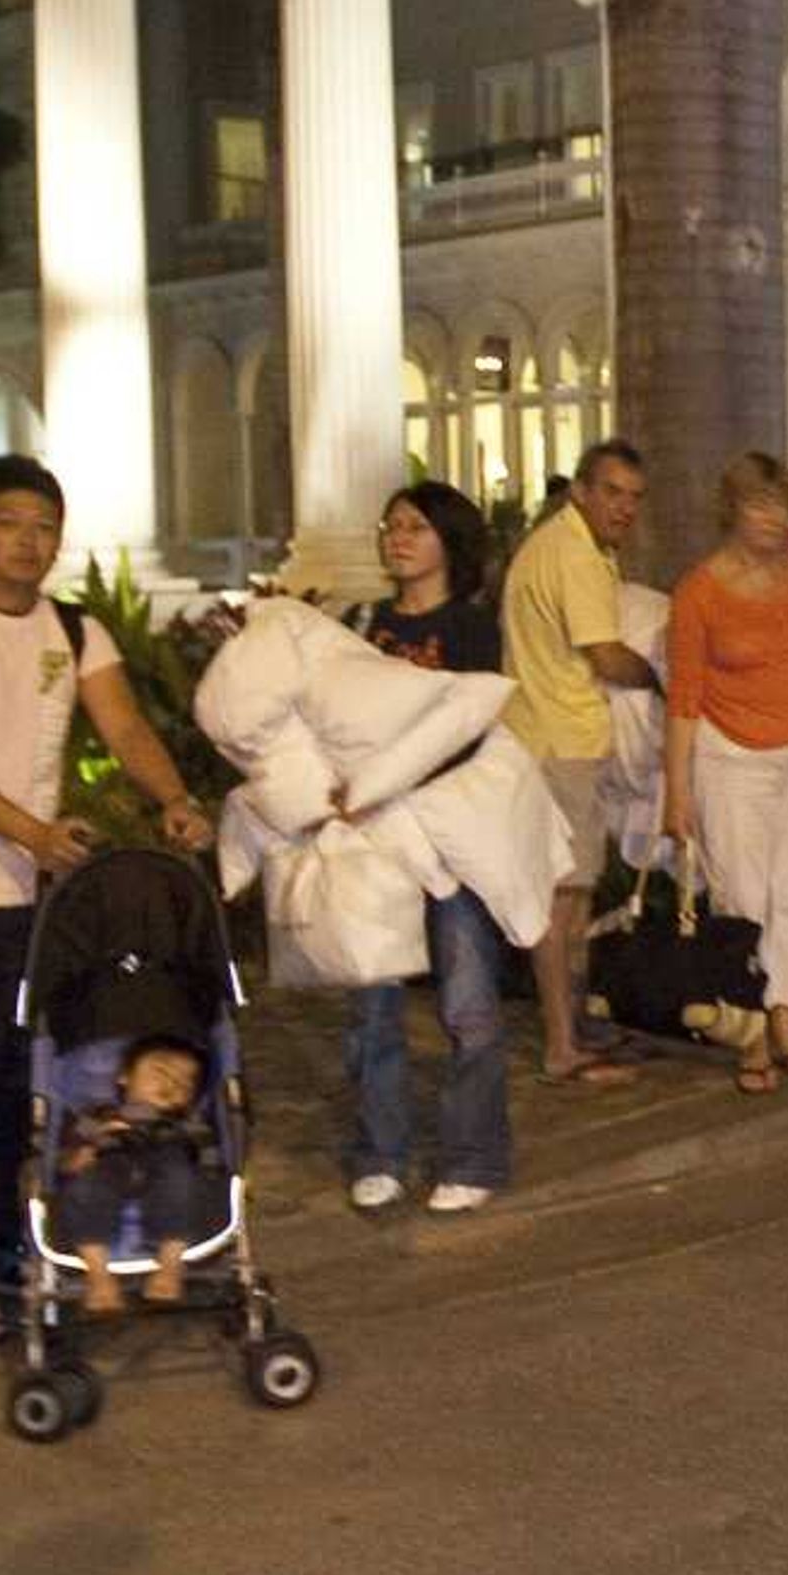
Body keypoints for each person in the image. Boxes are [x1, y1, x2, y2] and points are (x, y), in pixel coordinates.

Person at [0, 456, 213, 1349]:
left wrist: (173, 798)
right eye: (11, 524)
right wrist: (30, 830)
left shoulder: (75, 628)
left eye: (44, 527)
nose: (30, 543)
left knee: (7, 1080)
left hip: (27, 894)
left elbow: (127, 726)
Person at [337, 483, 523, 1216]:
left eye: (416, 527)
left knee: (468, 1001)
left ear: (451, 539)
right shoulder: (363, 624)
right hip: (374, 840)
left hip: (449, 839)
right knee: (372, 1001)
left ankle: (475, 1154)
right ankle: (381, 1151)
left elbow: (468, 726)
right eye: (392, 526)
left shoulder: (472, 627)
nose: (400, 538)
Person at [663, 453, 788, 1094]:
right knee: (744, 901)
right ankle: (750, 1030)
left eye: (780, 504)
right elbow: (683, 699)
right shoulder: (699, 591)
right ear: (730, 509)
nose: (772, 517)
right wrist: (676, 794)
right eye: (758, 503)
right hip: (730, 757)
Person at [500, 441, 657, 1091]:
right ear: (581, 492)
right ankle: (562, 1045)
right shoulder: (576, 555)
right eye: (612, 492)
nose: (624, 507)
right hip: (559, 741)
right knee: (562, 901)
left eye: (633, 496)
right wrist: (660, 675)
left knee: (576, 891)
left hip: (544, 736)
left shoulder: (556, 544)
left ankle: (577, 1026)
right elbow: (606, 654)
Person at [55, 1036, 219, 1314]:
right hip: (110, 1162)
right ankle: (99, 1276)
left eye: (185, 1083)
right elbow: (67, 1157)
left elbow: (209, 1161)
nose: (172, 1084)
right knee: (86, 1188)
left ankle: (170, 1267)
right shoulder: (101, 1115)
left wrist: (210, 1177)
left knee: (182, 1181)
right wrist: (78, 1158)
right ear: (123, 1077)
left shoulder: (189, 1123)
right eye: (160, 1072)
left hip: (167, 1162)